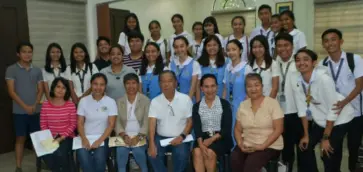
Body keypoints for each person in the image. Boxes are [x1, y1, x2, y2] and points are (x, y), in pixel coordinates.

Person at [293, 49, 355, 172]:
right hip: (322, 119)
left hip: (341, 118)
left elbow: (333, 109)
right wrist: (306, 135)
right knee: (304, 146)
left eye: (306, 59)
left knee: (327, 151)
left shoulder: (323, 79)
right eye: (298, 60)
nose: (301, 63)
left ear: (314, 62)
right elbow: (302, 109)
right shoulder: (298, 81)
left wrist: (325, 138)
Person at [319, 28, 363, 172]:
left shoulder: (354, 59)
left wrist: (344, 102)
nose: (330, 43)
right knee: (332, 149)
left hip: (356, 113)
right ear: (323, 45)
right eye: (326, 41)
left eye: (333, 39)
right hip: (336, 115)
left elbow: (359, 85)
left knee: (354, 148)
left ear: (341, 41)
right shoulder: (322, 64)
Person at [231, 73, 284, 172]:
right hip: (248, 143)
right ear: (245, 88)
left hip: (269, 145)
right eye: (249, 86)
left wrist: (262, 146)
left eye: (256, 85)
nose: (253, 89)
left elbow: (279, 129)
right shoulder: (243, 105)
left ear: (262, 86)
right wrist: (240, 144)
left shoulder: (272, 103)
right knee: (235, 159)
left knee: (251, 165)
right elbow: (237, 129)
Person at [5, 42, 43, 172]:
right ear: (18, 54)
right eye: (24, 52)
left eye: (29, 52)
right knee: (20, 138)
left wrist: (34, 105)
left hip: (35, 110)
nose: (27, 54)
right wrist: (25, 107)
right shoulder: (11, 69)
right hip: (19, 111)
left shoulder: (37, 70)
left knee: (37, 139)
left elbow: (40, 90)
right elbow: (11, 92)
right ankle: (18, 166)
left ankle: (39, 165)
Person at [148, 70, 193, 172]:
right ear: (159, 84)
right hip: (160, 137)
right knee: (152, 154)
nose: (166, 84)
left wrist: (182, 136)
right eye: (163, 81)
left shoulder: (185, 99)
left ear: (176, 83)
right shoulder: (155, 101)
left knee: (181, 155)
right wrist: (151, 143)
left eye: (169, 81)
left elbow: (190, 121)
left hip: (180, 136)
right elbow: (152, 124)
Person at [76, 73, 117, 172]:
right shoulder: (83, 101)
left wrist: (99, 141)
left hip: (103, 138)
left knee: (99, 159)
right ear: (91, 84)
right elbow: (80, 123)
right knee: (83, 158)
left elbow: (111, 125)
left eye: (102, 84)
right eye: (95, 84)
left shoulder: (111, 102)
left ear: (105, 86)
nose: (98, 87)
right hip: (85, 136)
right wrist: (84, 138)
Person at [192, 74, 233, 172]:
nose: (210, 90)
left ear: (217, 87)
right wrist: (201, 144)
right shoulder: (197, 106)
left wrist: (211, 140)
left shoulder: (225, 104)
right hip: (202, 138)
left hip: (221, 138)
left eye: (212, 86)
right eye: (206, 87)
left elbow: (226, 128)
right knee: (197, 152)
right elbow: (197, 127)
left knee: (210, 152)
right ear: (201, 88)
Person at [275, 33, 302, 172]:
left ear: (292, 46)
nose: (283, 48)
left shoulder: (299, 62)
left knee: (304, 151)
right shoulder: (274, 64)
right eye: (279, 45)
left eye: (286, 45)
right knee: (286, 151)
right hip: (280, 114)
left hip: (299, 113)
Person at [40, 77, 77, 172]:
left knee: (60, 153)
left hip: (67, 137)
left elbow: (73, 125)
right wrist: (49, 137)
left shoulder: (70, 105)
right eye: (58, 87)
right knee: (45, 153)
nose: (60, 90)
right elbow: (43, 124)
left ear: (67, 91)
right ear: (53, 88)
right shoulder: (45, 104)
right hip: (50, 137)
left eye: (63, 88)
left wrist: (61, 138)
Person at [115, 73, 150, 172]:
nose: (131, 86)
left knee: (139, 153)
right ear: (124, 85)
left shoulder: (145, 100)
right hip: (123, 136)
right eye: (128, 83)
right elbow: (117, 122)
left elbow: (147, 122)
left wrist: (139, 136)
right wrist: (124, 135)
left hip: (140, 136)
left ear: (138, 84)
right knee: (121, 154)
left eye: (134, 83)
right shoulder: (119, 101)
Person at [223, 39, 252, 145]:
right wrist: (223, 105)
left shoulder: (246, 68)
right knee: (230, 133)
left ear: (240, 50)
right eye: (228, 50)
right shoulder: (228, 68)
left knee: (241, 133)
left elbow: (250, 91)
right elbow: (226, 88)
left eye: (234, 49)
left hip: (242, 107)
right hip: (229, 107)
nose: (231, 52)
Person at [166, 36, 201, 102]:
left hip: (189, 100)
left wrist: (187, 102)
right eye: (176, 47)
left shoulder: (194, 64)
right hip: (174, 101)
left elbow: (194, 87)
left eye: (182, 46)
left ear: (187, 46)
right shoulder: (171, 64)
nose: (179, 49)